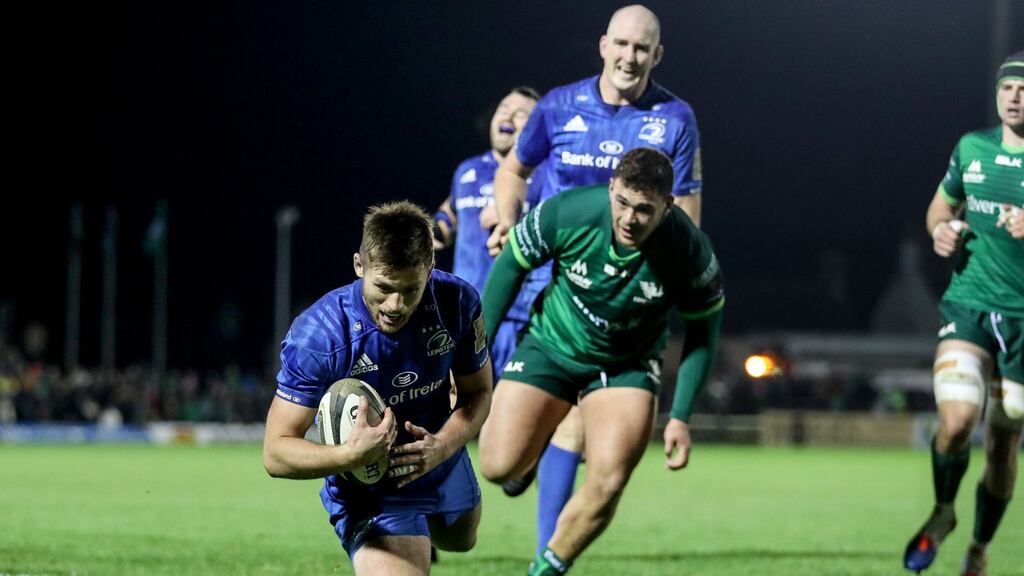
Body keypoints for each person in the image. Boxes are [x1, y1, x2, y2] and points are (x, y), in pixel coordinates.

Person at [485, 4, 705, 556]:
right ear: (604, 45)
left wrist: (665, 274)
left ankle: (546, 553)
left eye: (642, 49)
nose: (630, 57)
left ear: (657, 56)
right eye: (622, 45)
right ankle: (519, 460)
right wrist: (508, 218)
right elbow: (514, 168)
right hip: (544, 272)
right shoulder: (560, 105)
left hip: (615, 289)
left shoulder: (676, 118)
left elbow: (686, 213)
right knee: (502, 453)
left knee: (580, 420)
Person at [479, 148, 724, 575]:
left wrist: (681, 415)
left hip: (627, 364)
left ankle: (547, 567)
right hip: (551, 345)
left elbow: (704, 332)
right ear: (611, 189)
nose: (630, 218)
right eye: (623, 202)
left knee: (608, 480)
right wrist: (472, 355)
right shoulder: (570, 212)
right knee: (498, 467)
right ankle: (536, 447)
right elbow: (509, 268)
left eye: (645, 209)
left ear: (667, 206)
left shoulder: (688, 250)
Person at [263, 201, 492, 576]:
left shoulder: (458, 303)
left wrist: (442, 447)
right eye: (383, 288)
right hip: (368, 486)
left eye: (410, 289)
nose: (395, 305)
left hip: (437, 455)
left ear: (430, 269)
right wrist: (350, 455)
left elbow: (479, 392)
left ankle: (422, 526)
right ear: (359, 266)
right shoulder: (318, 335)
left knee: (463, 539)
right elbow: (275, 452)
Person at [903, 51, 1024, 576]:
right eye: (1008, 88)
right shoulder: (971, 148)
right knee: (954, 423)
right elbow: (940, 206)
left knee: (1004, 440)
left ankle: (978, 545)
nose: (1015, 96)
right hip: (969, 303)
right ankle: (943, 510)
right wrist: (940, 230)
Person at [434, 86, 544, 375]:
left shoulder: (544, 174)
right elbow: (449, 213)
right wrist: (435, 229)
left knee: (508, 414)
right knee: (461, 408)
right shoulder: (468, 170)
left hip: (517, 319)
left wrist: (515, 212)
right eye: (504, 108)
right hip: (461, 315)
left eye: (521, 114)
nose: (508, 115)